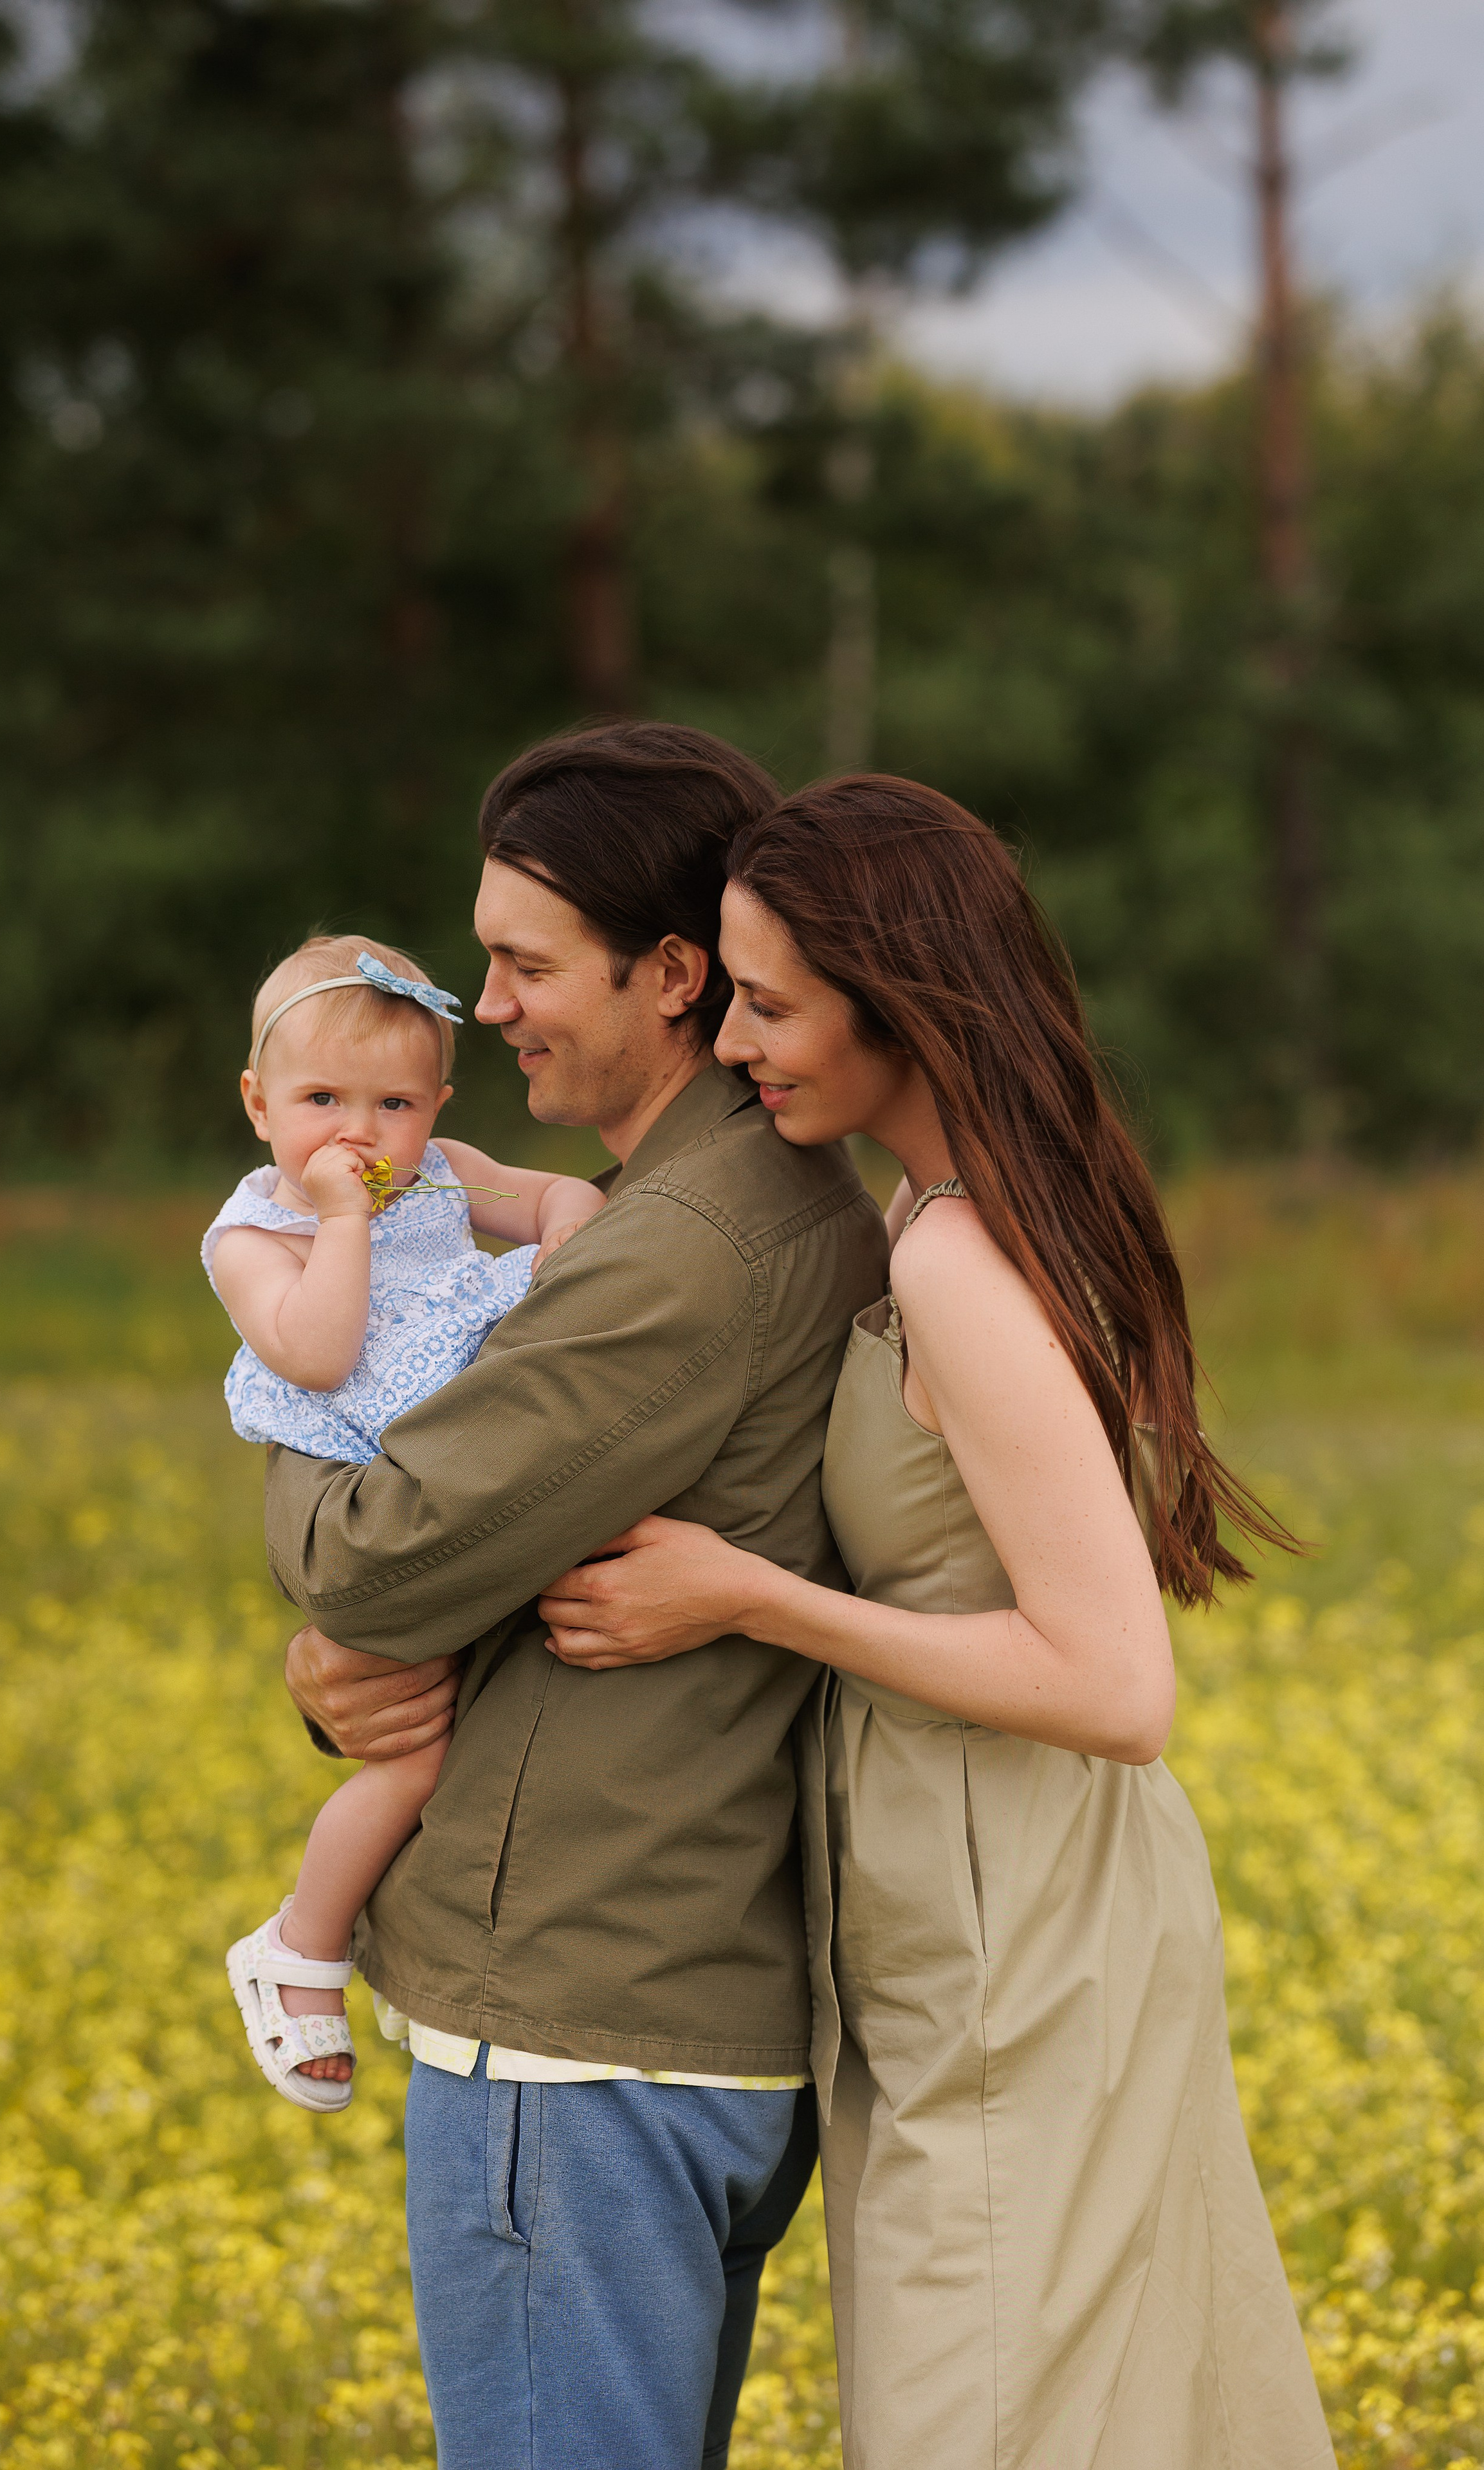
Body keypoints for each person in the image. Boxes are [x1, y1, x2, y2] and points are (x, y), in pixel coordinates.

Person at [538, 776, 1337, 2470]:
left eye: (771, 1002)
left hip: (1016, 1935)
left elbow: (1118, 1684)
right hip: (1013, 1903)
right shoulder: (958, 1211)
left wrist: (753, 1595)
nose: (737, 1041)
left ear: (898, 1003)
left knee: (988, 2417)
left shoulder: (964, 1267)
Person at [262, 726, 890, 2470]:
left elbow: (392, 1550)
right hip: (667, 2011)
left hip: (580, 2038)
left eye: (527, 962)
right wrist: (337, 1670)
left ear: (673, 973)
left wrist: (287, 1412)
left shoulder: (688, 1249)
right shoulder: (698, 1208)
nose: (486, 1004)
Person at [203, 932, 604, 2111]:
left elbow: (555, 1195)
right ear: (257, 1103)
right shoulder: (254, 1239)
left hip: (475, 1475)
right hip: (373, 1488)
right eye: (321, 1100)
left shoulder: (440, 1172)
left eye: (394, 1104)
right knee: (414, 1749)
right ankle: (300, 1946)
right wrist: (340, 1223)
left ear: (436, 1106)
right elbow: (321, 1355)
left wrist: (567, 1234)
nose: (359, 1135)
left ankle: (414, 1946)